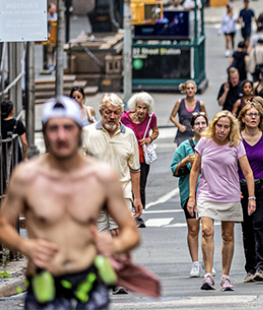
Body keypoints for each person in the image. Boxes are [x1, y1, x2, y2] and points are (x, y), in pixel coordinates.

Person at [0, 97, 141, 310]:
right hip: (45, 284)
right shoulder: (27, 176)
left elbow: (130, 231)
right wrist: (25, 245)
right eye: (53, 128)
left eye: (68, 127)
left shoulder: (100, 176)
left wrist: (115, 245)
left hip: (89, 284)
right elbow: (3, 225)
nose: (61, 135)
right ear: (45, 132)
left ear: (79, 130)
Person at [187, 111, 257, 292]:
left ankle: (225, 276)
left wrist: (251, 197)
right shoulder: (204, 142)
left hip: (230, 195)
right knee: (207, 231)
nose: (222, 130)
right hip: (206, 194)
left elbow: (248, 172)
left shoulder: (236, 144)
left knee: (228, 236)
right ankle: (208, 275)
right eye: (219, 126)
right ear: (214, 125)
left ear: (231, 128)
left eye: (226, 127)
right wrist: (192, 197)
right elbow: (195, 170)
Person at [82, 94, 143, 236]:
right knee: (99, 240)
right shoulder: (87, 133)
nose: (112, 116)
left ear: (121, 114)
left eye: (116, 112)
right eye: (108, 112)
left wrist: (137, 198)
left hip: (122, 194)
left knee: (120, 235)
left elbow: (135, 169)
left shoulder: (129, 135)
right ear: (101, 112)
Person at [237, 100, 263, 283]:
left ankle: (262, 267)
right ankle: (250, 268)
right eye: (249, 114)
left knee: (260, 223)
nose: (253, 117)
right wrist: (233, 187)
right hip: (242, 188)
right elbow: (231, 165)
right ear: (243, 118)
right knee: (246, 227)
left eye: (256, 115)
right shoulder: (236, 139)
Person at [171, 110, 208, 278]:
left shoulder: (213, 144)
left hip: (209, 193)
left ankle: (208, 262)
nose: (201, 126)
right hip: (190, 194)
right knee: (193, 229)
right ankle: (195, 263)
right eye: (197, 124)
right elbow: (175, 170)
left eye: (203, 123)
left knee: (207, 229)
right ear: (192, 127)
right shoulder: (185, 147)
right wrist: (186, 161)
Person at [121, 93, 159, 228]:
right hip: (127, 155)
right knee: (127, 184)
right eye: (139, 107)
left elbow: (156, 131)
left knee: (140, 185)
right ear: (134, 107)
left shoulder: (151, 117)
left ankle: (137, 213)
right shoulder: (125, 117)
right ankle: (129, 213)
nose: (141, 111)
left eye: (144, 108)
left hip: (142, 156)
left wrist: (149, 139)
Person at [170, 80, 207, 146]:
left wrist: (201, 127)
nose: (190, 90)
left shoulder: (200, 104)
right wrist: (179, 126)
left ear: (195, 90)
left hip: (196, 135)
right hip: (182, 135)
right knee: (182, 154)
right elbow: (172, 117)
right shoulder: (179, 102)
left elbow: (206, 117)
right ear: (185, 90)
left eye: (192, 88)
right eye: (188, 88)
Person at [1, 100, 28, 165]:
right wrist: (25, 157)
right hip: (15, 154)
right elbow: (24, 142)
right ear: (12, 111)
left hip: (2, 154)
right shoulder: (18, 123)